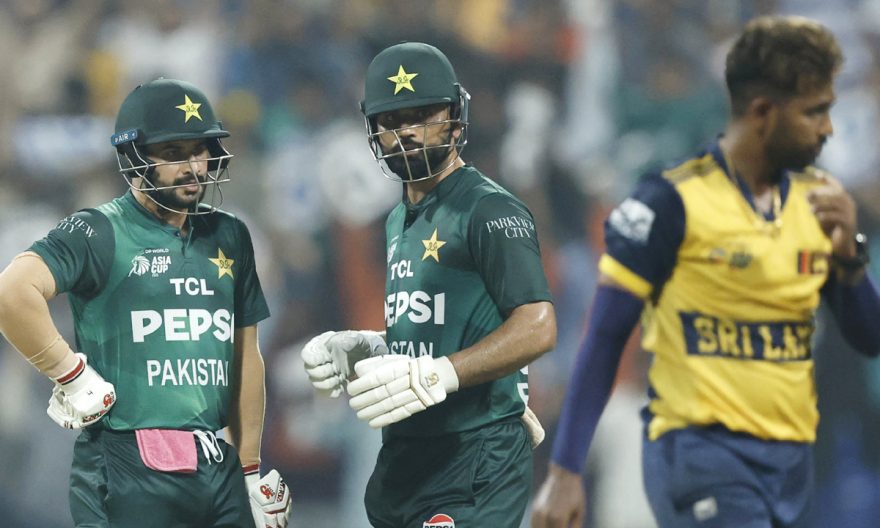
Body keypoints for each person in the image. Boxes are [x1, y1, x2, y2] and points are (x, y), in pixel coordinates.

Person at [531, 15, 880, 528]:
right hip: (700, 456)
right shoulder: (670, 203)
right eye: (813, 112)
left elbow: (869, 336)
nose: (827, 128)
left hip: (789, 462)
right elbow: (605, 337)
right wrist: (565, 470)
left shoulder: (814, 204)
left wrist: (849, 259)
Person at [0, 78, 292, 528]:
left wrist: (249, 469)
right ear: (134, 157)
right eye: (174, 153)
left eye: (200, 150)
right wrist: (69, 372)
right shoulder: (98, 229)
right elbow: (12, 292)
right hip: (123, 452)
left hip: (212, 458)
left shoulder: (231, 234)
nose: (194, 167)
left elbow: (244, 357)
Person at [299, 41, 557, 527]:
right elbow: (441, 329)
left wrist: (442, 374)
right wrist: (373, 346)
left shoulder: (489, 208)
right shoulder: (398, 219)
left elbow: (539, 325)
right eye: (392, 120)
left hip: (475, 452)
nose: (408, 132)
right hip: (410, 454)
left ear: (455, 118)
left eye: (423, 115)